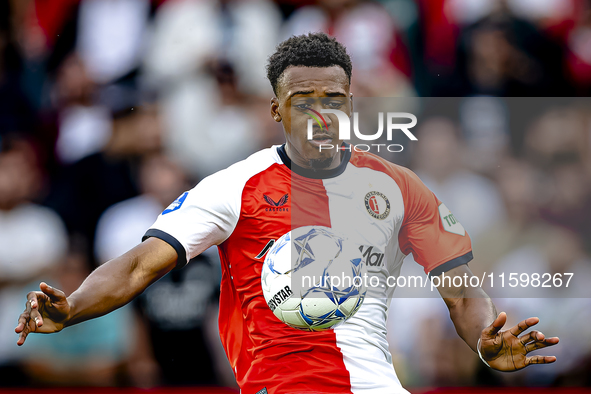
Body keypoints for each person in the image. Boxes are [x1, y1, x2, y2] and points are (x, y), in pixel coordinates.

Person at [15, 33, 559, 394]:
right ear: (276, 109)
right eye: (304, 100)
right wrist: (75, 307)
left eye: (335, 98)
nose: (321, 113)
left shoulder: (398, 186)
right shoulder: (234, 187)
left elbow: (462, 293)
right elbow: (138, 265)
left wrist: (488, 341)